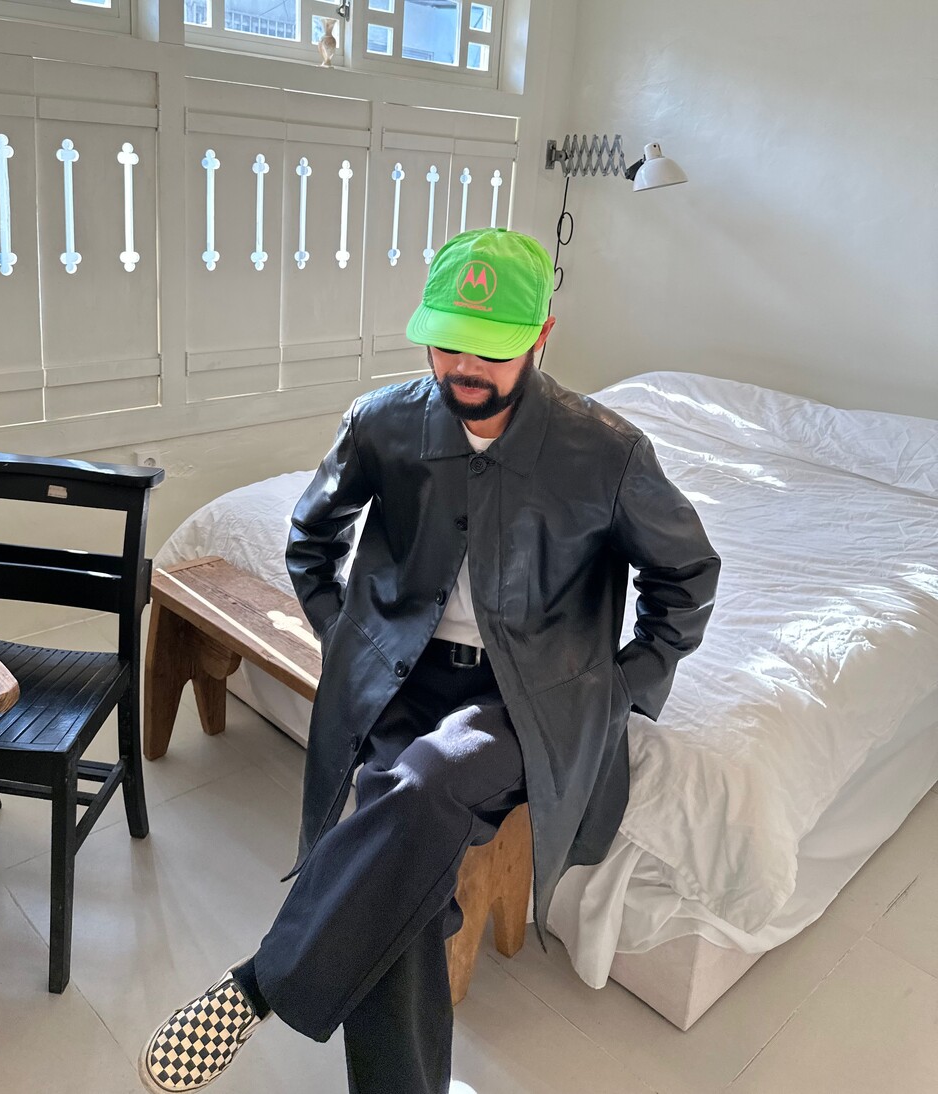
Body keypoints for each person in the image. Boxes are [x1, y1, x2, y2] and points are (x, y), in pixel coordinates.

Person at [138, 228, 720, 1094]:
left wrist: (614, 689)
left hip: (526, 699)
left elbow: (687, 577)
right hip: (401, 678)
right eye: (449, 342)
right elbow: (311, 540)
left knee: (422, 782)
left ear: (542, 336)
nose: (465, 367)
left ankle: (264, 980)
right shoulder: (384, 422)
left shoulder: (607, 452)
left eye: (491, 347)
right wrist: (348, 640)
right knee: (404, 875)